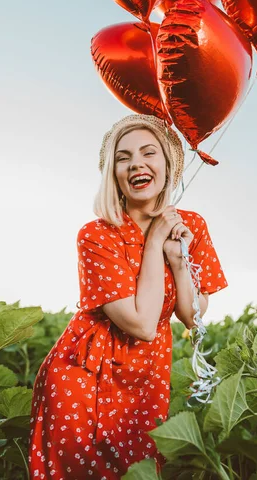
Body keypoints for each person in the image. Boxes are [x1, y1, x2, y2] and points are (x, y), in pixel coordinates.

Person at [28, 113, 228, 479]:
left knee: (139, 471)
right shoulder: (96, 235)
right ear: (115, 176)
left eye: (148, 153)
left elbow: (192, 314)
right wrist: (153, 244)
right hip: (85, 376)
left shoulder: (191, 226)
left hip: (148, 378)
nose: (136, 162)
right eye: (124, 157)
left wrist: (178, 261)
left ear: (167, 165)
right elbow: (141, 325)